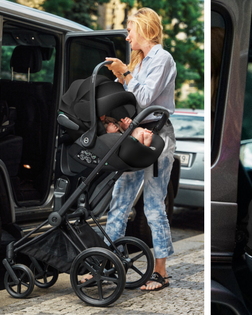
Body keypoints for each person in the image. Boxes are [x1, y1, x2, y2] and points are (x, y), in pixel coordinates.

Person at [80, 7, 177, 291]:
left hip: (158, 140)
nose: (127, 36)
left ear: (145, 28)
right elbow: (135, 102)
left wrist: (125, 73)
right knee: (120, 199)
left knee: (154, 204)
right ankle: (109, 263)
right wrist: (124, 120)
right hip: (136, 135)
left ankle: (161, 271)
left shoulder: (162, 59)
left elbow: (145, 97)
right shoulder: (142, 60)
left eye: (130, 29)